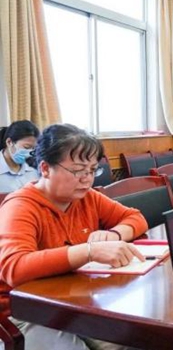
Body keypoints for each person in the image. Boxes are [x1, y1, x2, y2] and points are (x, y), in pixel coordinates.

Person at [0, 124, 148, 350]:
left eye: (92, 170)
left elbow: (135, 217)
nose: (87, 179)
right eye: (78, 170)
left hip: (72, 299)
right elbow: (15, 268)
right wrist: (89, 252)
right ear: (45, 168)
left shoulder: (87, 197)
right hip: (23, 309)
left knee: (135, 339)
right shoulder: (21, 206)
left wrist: (114, 234)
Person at [0, 120, 40, 193]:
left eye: (33, 148)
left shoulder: (34, 172)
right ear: (9, 142)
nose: (29, 153)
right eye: (26, 147)